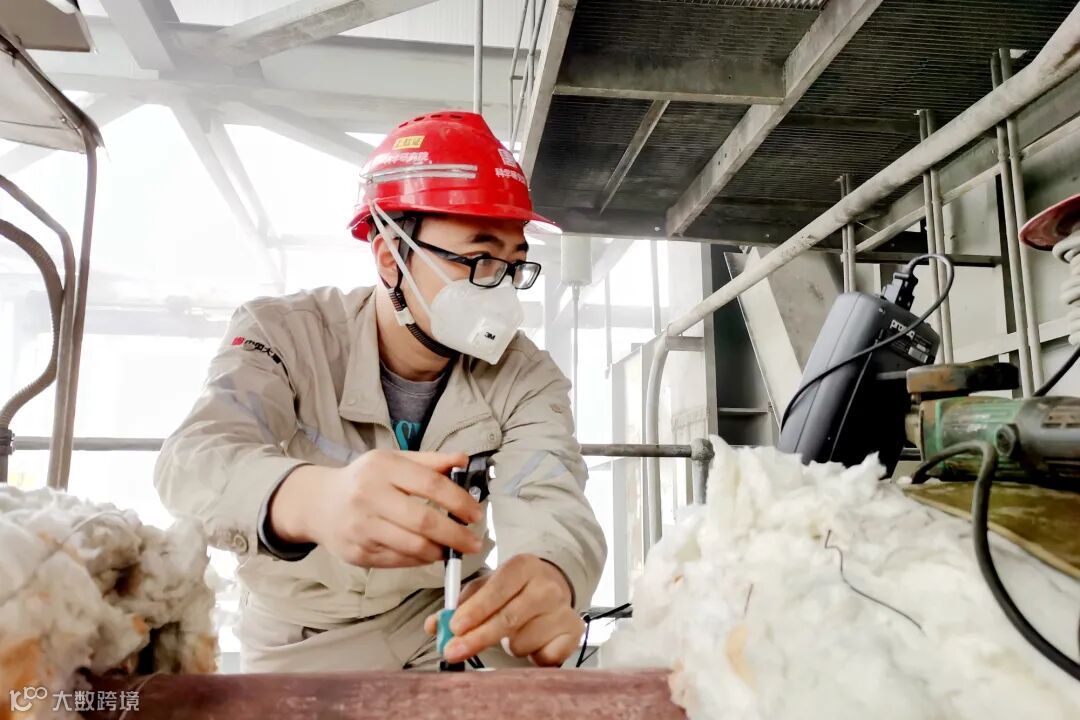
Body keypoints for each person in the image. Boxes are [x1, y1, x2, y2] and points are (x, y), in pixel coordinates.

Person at [154, 111, 606, 672]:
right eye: (479, 260)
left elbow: (551, 492)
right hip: (300, 632)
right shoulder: (285, 334)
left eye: (513, 266)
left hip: (448, 610)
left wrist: (551, 572)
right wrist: (310, 499)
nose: (501, 293)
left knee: (525, 702)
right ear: (392, 258)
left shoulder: (524, 374)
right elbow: (194, 458)